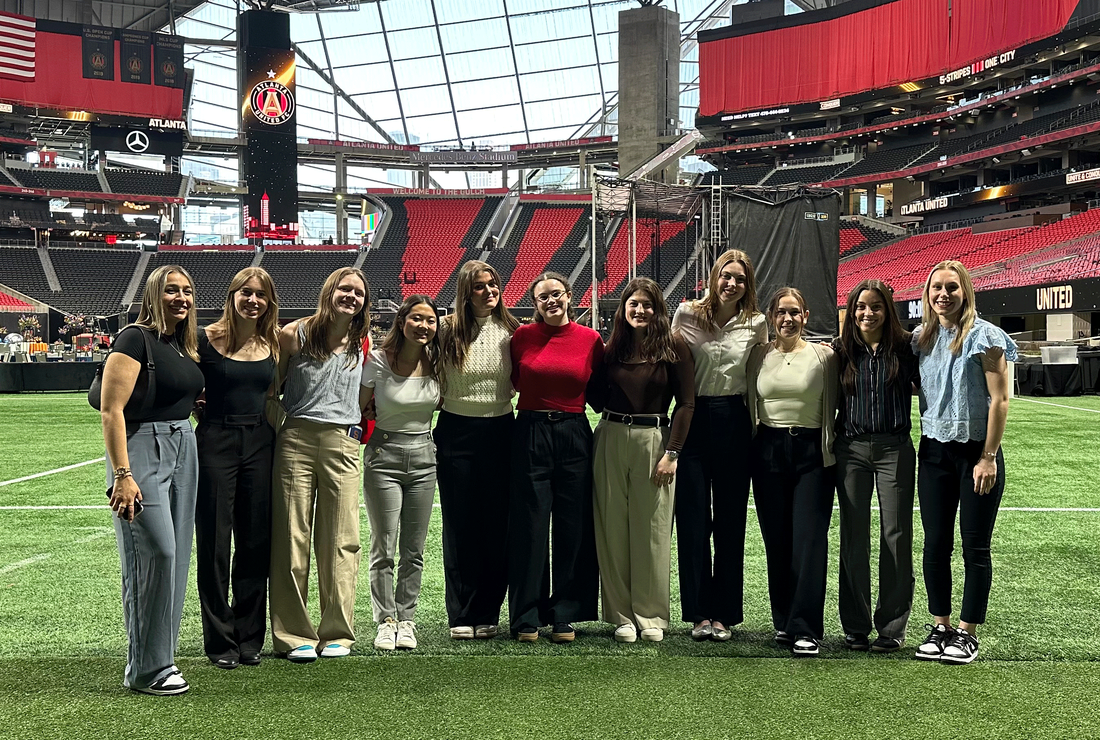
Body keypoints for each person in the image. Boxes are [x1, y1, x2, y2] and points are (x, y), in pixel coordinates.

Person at [100, 265, 204, 695]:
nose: (181, 298)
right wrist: (123, 475)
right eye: (171, 290)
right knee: (155, 553)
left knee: (176, 559)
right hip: (143, 448)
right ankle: (145, 669)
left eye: (187, 291)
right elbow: (111, 411)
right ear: (153, 295)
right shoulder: (134, 338)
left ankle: (163, 658)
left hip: (183, 445)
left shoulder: (180, 344)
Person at [911, 260, 1016, 665]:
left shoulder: (986, 336)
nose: (943, 294)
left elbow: (1000, 400)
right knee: (935, 543)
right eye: (936, 287)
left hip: (976, 454)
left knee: (975, 545)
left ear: (965, 291)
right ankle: (940, 626)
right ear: (927, 293)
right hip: (933, 452)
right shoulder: (921, 338)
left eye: (952, 287)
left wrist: (988, 457)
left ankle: (967, 633)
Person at [269, 267, 371, 663]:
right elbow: (271, 391)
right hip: (296, 438)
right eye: (345, 289)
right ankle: (293, 634)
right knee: (291, 537)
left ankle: (337, 632)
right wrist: (280, 428)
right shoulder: (294, 334)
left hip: (342, 443)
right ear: (329, 291)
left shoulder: (362, 341)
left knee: (342, 540)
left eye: (358, 293)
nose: (351, 297)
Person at [589, 277, 694, 643]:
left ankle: (649, 615)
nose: (640, 310)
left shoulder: (674, 345)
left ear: (658, 309)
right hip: (611, 434)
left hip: (654, 440)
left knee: (652, 530)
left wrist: (672, 452)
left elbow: (686, 404)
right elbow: (594, 394)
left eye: (647, 304)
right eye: (633, 303)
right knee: (612, 528)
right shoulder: (612, 347)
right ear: (623, 308)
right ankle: (621, 616)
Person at [670, 250, 767, 641]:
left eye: (740, 279)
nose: (732, 284)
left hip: (734, 420)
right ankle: (699, 613)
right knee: (693, 520)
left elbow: (758, 374)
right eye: (726, 276)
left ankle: (724, 613)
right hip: (693, 418)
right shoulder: (686, 314)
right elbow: (673, 368)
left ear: (748, 284)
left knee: (730, 521)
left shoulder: (756, 322)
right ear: (714, 277)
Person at [507, 271, 604, 643]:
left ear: (569, 296)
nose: (551, 301)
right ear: (535, 304)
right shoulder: (522, 337)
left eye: (557, 294)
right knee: (529, 527)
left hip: (574, 433)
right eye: (543, 297)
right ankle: (526, 615)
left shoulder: (591, 340)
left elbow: (599, 391)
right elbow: (516, 381)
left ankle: (565, 613)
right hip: (530, 431)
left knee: (572, 527)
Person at [193, 267, 279, 669]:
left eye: (260, 295)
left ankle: (249, 637)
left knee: (255, 542)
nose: (253, 300)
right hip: (215, 440)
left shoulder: (272, 342)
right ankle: (219, 640)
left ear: (269, 302)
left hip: (261, 442)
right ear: (232, 296)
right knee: (214, 541)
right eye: (246, 292)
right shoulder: (203, 339)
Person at [747, 287, 838, 657]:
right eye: (781, 312)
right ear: (771, 317)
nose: (788, 319)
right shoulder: (758, 355)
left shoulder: (824, 356)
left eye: (794, 312)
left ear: (806, 316)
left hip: (812, 453)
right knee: (777, 540)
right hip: (767, 450)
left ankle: (806, 628)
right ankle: (784, 621)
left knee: (809, 540)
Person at [833, 279, 919, 654]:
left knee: (896, 536)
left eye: (876, 306)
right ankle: (855, 625)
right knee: (853, 537)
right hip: (851, 450)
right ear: (852, 311)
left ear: (888, 310)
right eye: (861, 307)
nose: (867, 313)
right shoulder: (841, 350)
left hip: (894, 449)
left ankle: (892, 626)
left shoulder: (906, 348)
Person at [436, 261, 520, 640]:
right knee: (459, 525)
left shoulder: (513, 330)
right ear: (465, 293)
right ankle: (461, 613)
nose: (489, 291)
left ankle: (488, 611)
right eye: (479, 286)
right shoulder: (446, 330)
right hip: (456, 431)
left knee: (497, 526)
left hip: (501, 430)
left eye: (493, 284)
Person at [361, 295, 442, 651]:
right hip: (384, 455)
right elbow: (360, 407)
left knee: (414, 549)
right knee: (384, 545)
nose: (424, 326)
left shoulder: (438, 361)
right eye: (416, 318)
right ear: (402, 321)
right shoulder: (378, 360)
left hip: (425, 455)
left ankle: (406, 619)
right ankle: (385, 620)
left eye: (430, 320)